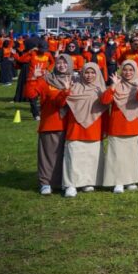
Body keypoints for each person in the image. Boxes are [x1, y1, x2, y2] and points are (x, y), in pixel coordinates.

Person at [24, 54, 73, 194]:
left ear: (70, 64)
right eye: (59, 63)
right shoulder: (46, 80)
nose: (62, 65)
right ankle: (46, 182)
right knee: (48, 155)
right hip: (51, 123)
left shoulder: (76, 79)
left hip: (70, 125)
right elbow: (30, 94)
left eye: (65, 63)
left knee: (67, 155)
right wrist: (33, 78)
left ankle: (64, 181)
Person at [62, 62, 109, 197]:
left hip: (94, 128)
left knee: (91, 157)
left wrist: (105, 128)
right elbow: (63, 105)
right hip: (75, 128)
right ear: (82, 73)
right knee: (74, 156)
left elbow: (105, 110)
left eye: (92, 72)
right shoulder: (74, 88)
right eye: (87, 72)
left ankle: (89, 181)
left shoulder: (101, 89)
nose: (89, 75)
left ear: (97, 74)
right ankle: (71, 184)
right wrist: (66, 91)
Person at [101, 60, 138, 193]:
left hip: (135, 124)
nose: (128, 73)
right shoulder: (117, 84)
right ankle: (118, 181)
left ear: (135, 71)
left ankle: (131, 180)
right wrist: (113, 87)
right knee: (117, 156)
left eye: (131, 70)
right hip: (117, 125)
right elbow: (105, 100)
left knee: (133, 155)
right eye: (125, 70)